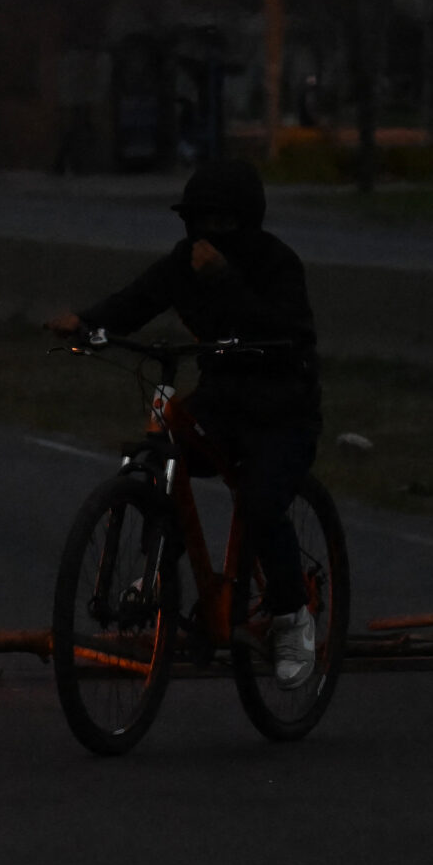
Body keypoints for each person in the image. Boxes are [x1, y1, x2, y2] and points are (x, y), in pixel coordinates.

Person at [45, 158, 323, 685]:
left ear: (247, 221)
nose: (209, 235)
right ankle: (154, 578)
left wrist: (227, 283)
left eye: (222, 222)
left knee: (262, 503)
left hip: (283, 410)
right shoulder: (183, 263)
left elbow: (285, 327)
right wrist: (86, 322)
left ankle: (292, 620)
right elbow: (136, 300)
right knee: (163, 460)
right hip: (222, 402)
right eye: (201, 222)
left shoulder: (276, 264)